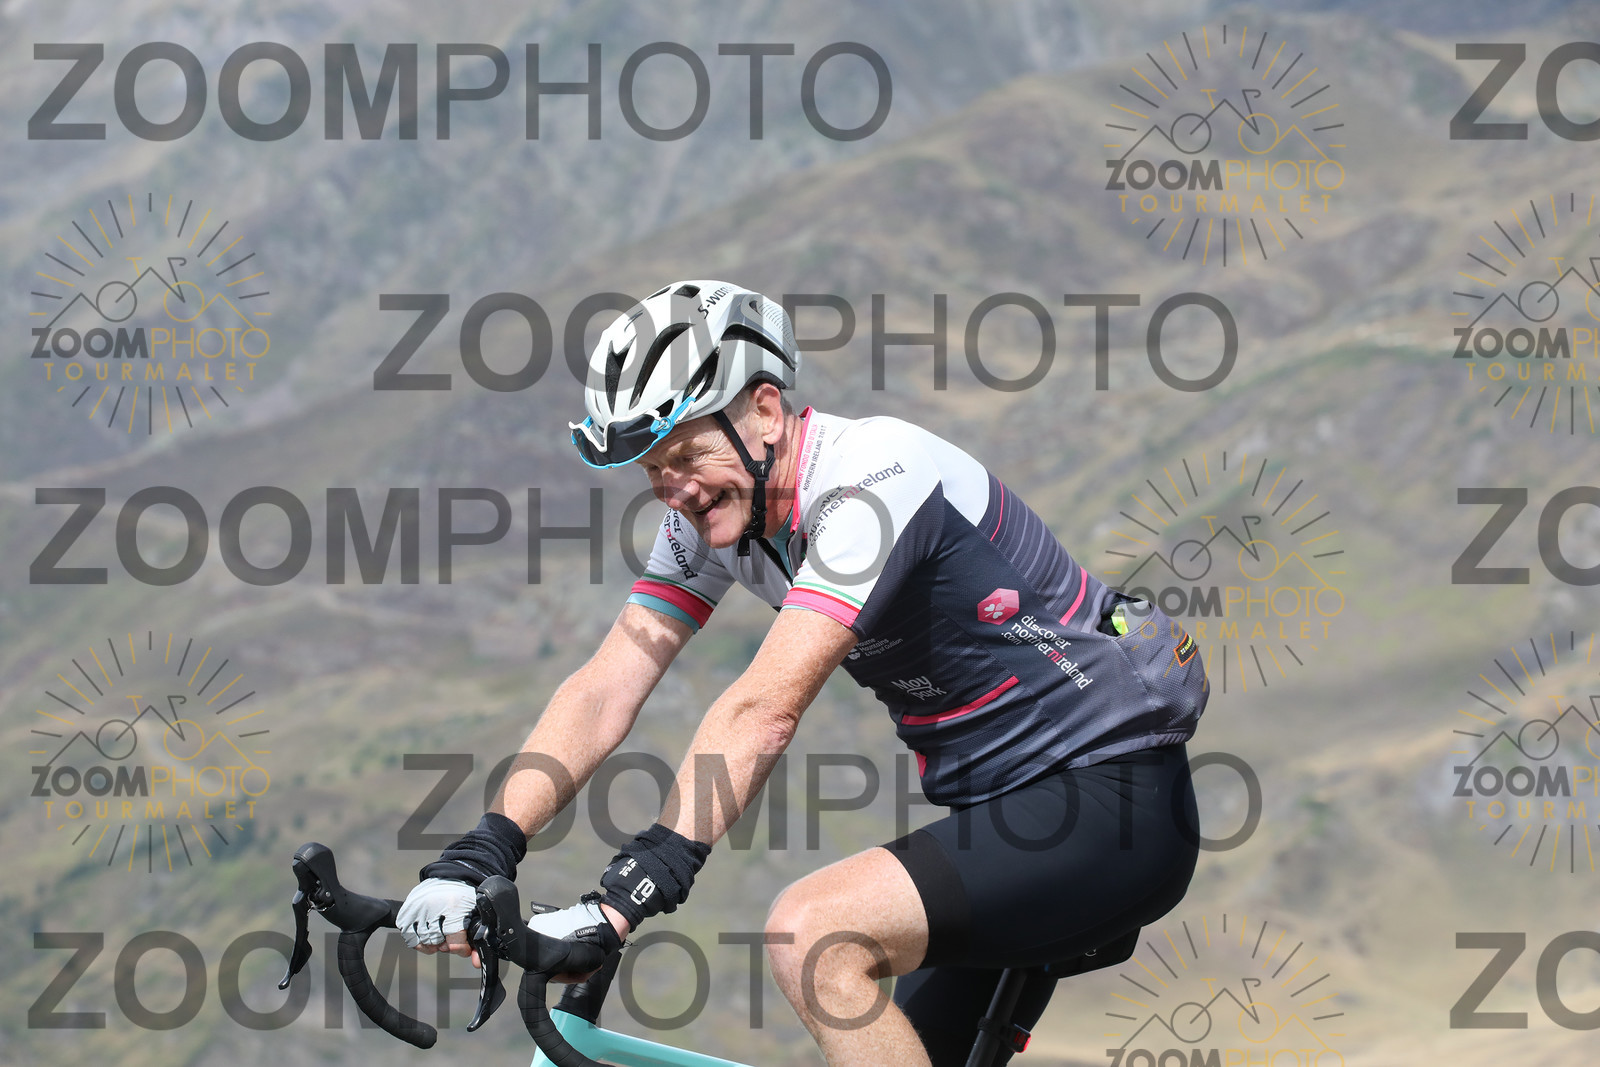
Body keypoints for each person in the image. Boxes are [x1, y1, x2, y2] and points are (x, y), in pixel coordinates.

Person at [398, 280, 1209, 1066]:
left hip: (1112, 803)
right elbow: (606, 685)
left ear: (764, 409)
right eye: (652, 468)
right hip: (998, 820)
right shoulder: (718, 515)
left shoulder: (872, 479)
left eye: (686, 453)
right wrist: (485, 847)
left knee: (813, 934)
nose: (675, 491)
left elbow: (764, 709)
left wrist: (624, 898)